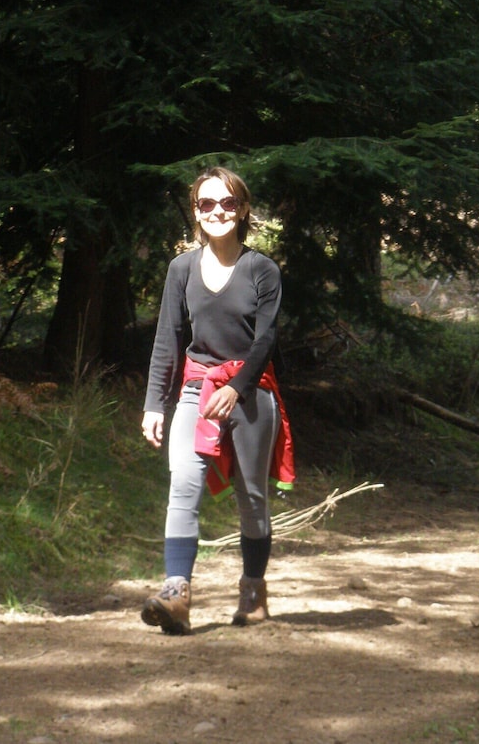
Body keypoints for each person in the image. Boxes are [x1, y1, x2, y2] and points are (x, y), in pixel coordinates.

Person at [141, 166, 294, 635]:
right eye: (207, 204)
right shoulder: (181, 269)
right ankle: (176, 594)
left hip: (249, 393)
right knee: (182, 485)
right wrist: (153, 403)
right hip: (195, 389)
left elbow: (265, 340)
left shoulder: (262, 270)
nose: (218, 212)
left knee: (252, 497)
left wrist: (236, 388)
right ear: (196, 211)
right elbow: (168, 338)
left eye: (227, 203)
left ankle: (253, 592)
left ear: (243, 210)